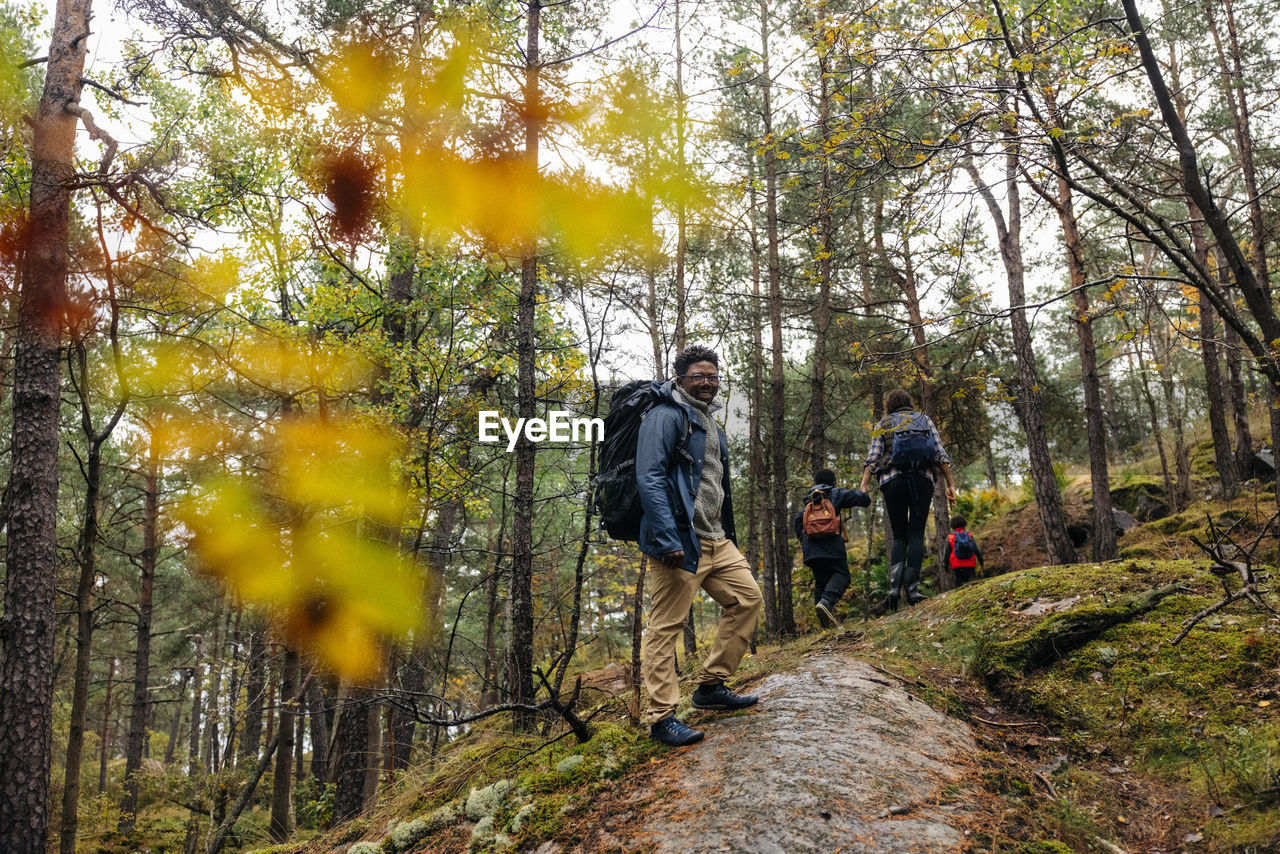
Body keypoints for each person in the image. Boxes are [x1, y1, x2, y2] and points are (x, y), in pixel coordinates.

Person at [635, 344, 763, 747]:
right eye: (699, 376)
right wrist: (667, 537)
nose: (707, 383)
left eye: (712, 376)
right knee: (666, 627)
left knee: (747, 599)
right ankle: (660, 717)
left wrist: (728, 534)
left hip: (714, 538)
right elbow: (649, 477)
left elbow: (716, 486)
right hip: (678, 540)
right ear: (681, 378)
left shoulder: (709, 423)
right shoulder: (664, 415)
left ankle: (710, 686)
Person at [858, 388, 957, 609]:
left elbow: (873, 458)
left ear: (889, 405)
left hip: (892, 482)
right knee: (916, 533)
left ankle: (894, 589)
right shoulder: (924, 420)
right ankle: (912, 590)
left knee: (899, 535)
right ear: (909, 403)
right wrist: (950, 484)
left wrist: (864, 485)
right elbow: (940, 454)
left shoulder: (883, 424)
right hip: (922, 479)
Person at [793, 469, 870, 628]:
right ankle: (827, 602)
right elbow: (863, 499)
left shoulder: (810, 500)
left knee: (821, 582)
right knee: (843, 575)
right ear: (833, 482)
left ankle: (826, 626)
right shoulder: (835, 493)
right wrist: (864, 491)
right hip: (831, 545)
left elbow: (798, 521)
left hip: (811, 550)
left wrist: (807, 540)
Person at [943, 515, 984, 587]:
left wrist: (945, 567)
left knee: (959, 584)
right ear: (964, 524)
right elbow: (977, 550)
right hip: (970, 563)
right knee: (971, 584)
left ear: (952, 525)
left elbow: (946, 554)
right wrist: (981, 563)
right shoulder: (969, 535)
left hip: (957, 565)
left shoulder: (950, 537)